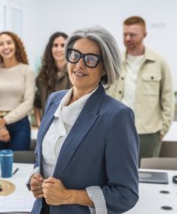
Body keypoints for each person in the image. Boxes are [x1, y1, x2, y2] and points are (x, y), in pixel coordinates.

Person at [30, 26, 139, 214]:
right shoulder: (54, 100)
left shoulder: (117, 116)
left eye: (90, 59)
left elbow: (126, 194)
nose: (79, 64)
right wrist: (35, 178)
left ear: (105, 67)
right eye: (75, 55)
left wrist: (68, 196)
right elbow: (42, 157)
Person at [107, 16, 174, 161]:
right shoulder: (114, 61)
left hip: (148, 134)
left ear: (144, 35)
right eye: (125, 34)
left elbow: (167, 97)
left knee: (146, 178)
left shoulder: (159, 62)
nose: (128, 38)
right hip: (117, 130)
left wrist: (163, 130)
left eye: (133, 34)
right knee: (117, 174)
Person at [0, 31, 35, 161]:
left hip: (19, 126)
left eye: (9, 42)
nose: (5, 47)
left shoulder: (26, 71)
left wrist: (4, 121)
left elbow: (28, 102)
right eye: (1, 44)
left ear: (16, 45)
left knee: (18, 165)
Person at [34, 32, 72, 127]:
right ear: (50, 49)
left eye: (63, 45)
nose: (59, 49)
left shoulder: (75, 75)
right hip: (48, 127)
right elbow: (37, 102)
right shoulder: (42, 76)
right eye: (55, 45)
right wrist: (39, 123)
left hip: (68, 127)